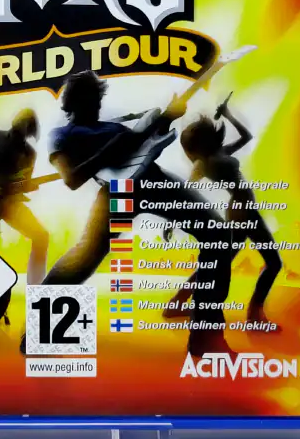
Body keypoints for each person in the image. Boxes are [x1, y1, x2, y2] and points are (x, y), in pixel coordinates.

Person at [39, 71, 235, 357]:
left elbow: (144, 143)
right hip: (118, 193)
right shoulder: (61, 136)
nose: (97, 105)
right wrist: (113, 149)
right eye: (91, 99)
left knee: (217, 235)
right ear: (74, 102)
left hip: (153, 180)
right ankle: (43, 331)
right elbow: (72, 179)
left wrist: (167, 117)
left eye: (98, 99)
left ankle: (205, 338)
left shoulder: (114, 126)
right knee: (85, 256)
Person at [165, 97, 280, 328]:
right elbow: (186, 190)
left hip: (241, 210)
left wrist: (228, 114)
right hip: (242, 212)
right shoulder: (204, 163)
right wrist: (172, 221)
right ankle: (254, 315)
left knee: (220, 262)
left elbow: (247, 137)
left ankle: (177, 303)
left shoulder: (220, 153)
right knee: (272, 262)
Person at [0, 109, 51, 286]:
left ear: (30, 131)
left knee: (41, 236)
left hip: (11, 203)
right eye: (21, 122)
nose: (22, 127)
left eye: (27, 125)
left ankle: (36, 287)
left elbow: (24, 182)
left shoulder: (29, 154)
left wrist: (28, 186)